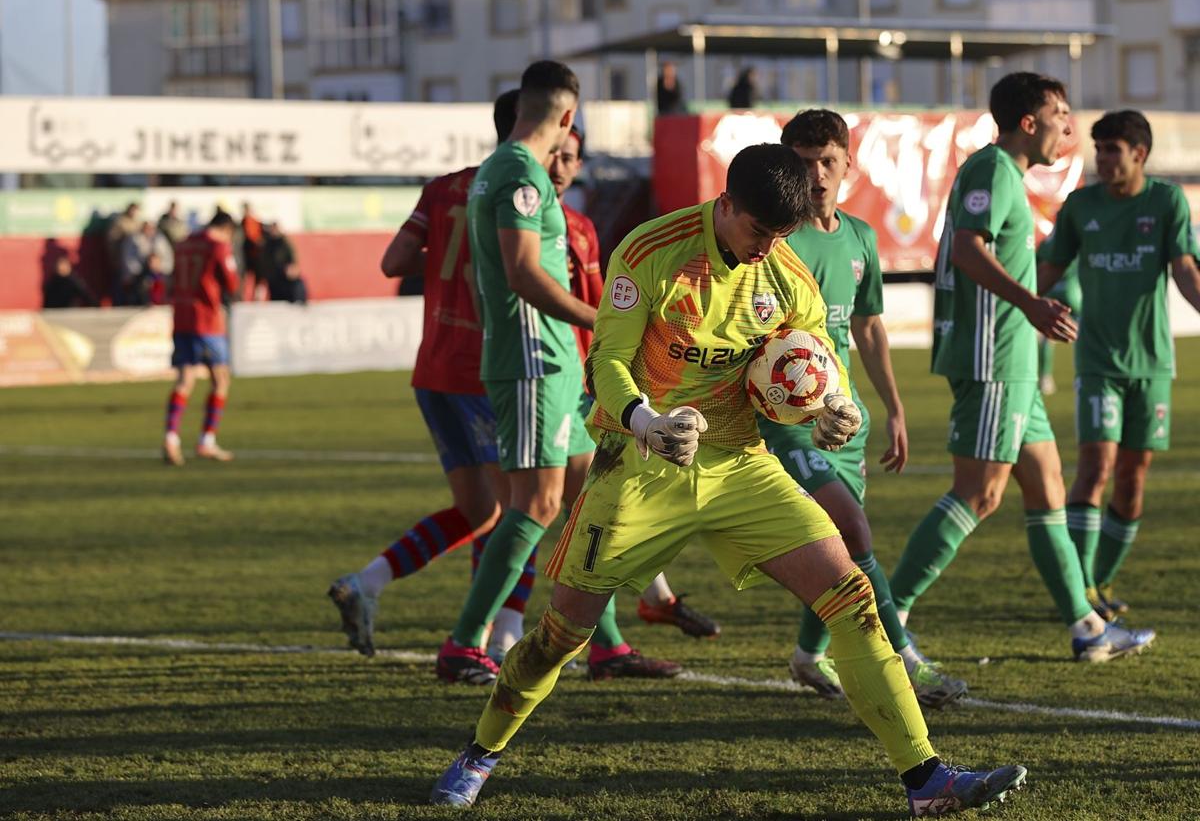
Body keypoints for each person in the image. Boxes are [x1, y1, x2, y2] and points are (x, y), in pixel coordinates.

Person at [430, 143, 1028, 815]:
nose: (765, 249)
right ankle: (479, 754)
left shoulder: (785, 272)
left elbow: (821, 371)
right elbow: (609, 361)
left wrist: (837, 412)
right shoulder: (652, 251)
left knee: (851, 596)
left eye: (780, 236)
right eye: (757, 232)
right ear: (727, 204)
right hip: (641, 466)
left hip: (740, 465)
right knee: (557, 640)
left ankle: (925, 781)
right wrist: (646, 420)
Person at [888, 72, 1155, 662]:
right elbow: (967, 250)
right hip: (994, 360)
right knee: (980, 494)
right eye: (1060, 112)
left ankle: (1087, 628)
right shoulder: (992, 169)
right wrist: (1031, 303)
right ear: (1029, 123)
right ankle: (890, 616)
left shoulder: (1004, 174)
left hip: (1015, 364)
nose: (1069, 125)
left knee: (1048, 487)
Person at [433, 60, 676, 685]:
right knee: (534, 505)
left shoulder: (503, 171)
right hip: (531, 361)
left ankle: (608, 645)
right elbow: (521, 273)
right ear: (568, 115)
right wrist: (601, 320)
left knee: (587, 496)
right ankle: (464, 643)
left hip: (554, 363)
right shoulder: (519, 174)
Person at [760, 108, 965, 707]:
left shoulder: (859, 238)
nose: (817, 175)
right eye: (803, 163)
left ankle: (806, 655)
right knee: (852, 532)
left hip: (846, 422)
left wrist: (894, 409)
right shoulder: (774, 242)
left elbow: (869, 326)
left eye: (827, 161)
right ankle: (907, 662)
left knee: (840, 547)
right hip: (790, 425)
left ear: (849, 164)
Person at [328, 90, 523, 660]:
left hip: (432, 369)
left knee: (479, 511)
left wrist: (444, 263)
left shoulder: (442, 189)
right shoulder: (517, 189)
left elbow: (393, 262)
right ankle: (493, 638)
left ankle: (367, 583)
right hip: (485, 369)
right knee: (524, 509)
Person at [552, 125, 721, 642]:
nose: (560, 165)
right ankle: (488, 633)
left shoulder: (580, 227)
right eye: (553, 152)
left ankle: (626, 629)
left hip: (584, 374)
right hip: (535, 373)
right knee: (530, 507)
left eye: (570, 157)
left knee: (577, 503)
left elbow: (612, 306)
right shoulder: (513, 220)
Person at [1039, 109, 1200, 620]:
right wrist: (1008, 306)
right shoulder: (1079, 206)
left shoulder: (1167, 201)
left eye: (1113, 150)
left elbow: (1184, 270)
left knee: (1133, 479)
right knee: (1096, 467)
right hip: (1097, 362)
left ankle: (1101, 581)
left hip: (1151, 364)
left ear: (1140, 154)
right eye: (1099, 149)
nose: (1103, 159)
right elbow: (1046, 271)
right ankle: (1081, 590)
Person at [161, 210, 240, 466]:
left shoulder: (183, 244)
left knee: (185, 379)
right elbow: (231, 282)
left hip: (181, 315)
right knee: (221, 380)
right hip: (207, 320)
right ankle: (207, 440)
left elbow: (172, 280)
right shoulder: (218, 246)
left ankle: (171, 437)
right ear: (227, 229)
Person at [1035, 234, 1080, 395]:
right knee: (1083, 336)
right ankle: (1082, 376)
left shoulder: (1046, 244)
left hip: (1053, 290)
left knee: (1048, 336)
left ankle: (1045, 377)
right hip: (1072, 293)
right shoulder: (1074, 238)